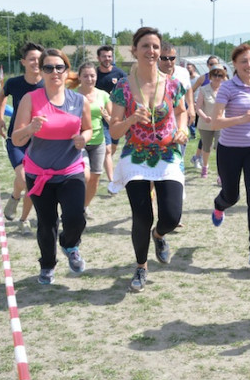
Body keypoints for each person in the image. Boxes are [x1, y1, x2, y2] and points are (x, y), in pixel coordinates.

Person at [109, 27, 189, 292]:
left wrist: (183, 128)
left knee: (172, 215)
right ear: (134, 50)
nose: (152, 51)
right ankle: (141, 267)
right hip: (137, 153)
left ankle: (160, 235)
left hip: (167, 152)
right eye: (145, 46)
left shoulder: (173, 83)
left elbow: (182, 113)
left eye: (155, 47)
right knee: (141, 216)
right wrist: (131, 119)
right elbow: (115, 130)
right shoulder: (123, 87)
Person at [10, 49, 92, 285]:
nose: (54, 72)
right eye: (48, 68)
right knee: (46, 224)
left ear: (67, 71)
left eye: (59, 67)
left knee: (76, 217)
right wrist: (30, 128)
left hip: (71, 170)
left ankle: (70, 245)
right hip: (39, 173)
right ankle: (47, 265)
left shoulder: (79, 100)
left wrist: (84, 138)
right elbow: (17, 139)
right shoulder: (31, 99)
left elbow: (88, 128)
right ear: (42, 71)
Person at [209, 44, 250, 265]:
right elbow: (216, 121)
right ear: (235, 65)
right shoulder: (228, 88)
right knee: (231, 196)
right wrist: (240, 119)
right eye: (244, 61)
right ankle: (220, 205)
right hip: (229, 149)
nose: (249, 65)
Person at [0, 42, 44, 233]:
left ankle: (22, 217)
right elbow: (2, 96)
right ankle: (17, 196)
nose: (36, 62)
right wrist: (0, 118)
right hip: (17, 139)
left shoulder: (47, 83)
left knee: (32, 180)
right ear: (23, 62)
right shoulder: (14, 83)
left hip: (41, 141)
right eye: (32, 59)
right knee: (25, 178)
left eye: (39, 59)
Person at [74, 62, 112, 217]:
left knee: (95, 178)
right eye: (85, 76)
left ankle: (84, 207)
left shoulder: (103, 95)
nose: (89, 79)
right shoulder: (73, 95)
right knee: (84, 175)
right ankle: (74, 205)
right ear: (79, 77)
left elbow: (113, 121)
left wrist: (107, 117)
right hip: (79, 142)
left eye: (92, 76)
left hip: (98, 141)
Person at [95, 45, 127, 182]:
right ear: (98, 58)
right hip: (97, 116)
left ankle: (103, 161)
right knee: (107, 149)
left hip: (115, 116)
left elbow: (128, 90)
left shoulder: (119, 74)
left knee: (112, 147)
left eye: (109, 56)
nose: (107, 59)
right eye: (104, 56)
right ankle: (111, 180)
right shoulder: (94, 74)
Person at [195, 65, 227, 178]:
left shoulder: (225, 89)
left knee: (220, 149)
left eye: (220, 75)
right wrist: (204, 117)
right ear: (210, 76)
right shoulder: (203, 89)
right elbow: (197, 107)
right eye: (215, 75)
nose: (217, 77)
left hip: (220, 124)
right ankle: (205, 166)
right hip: (205, 124)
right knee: (206, 147)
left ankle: (220, 173)